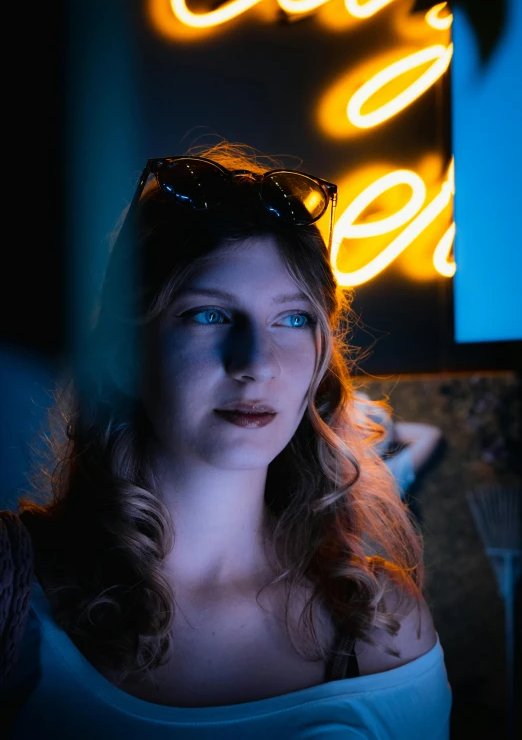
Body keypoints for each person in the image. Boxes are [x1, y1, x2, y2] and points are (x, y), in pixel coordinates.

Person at [0, 142, 452, 738]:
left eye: (293, 319)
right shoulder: (18, 595)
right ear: (123, 354)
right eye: (208, 314)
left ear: (320, 357)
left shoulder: (382, 628)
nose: (256, 362)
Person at [353, 391, 443, 498]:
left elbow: (430, 435)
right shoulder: (383, 478)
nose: (362, 431)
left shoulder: (383, 479)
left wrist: (383, 431)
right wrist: (382, 432)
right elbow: (430, 435)